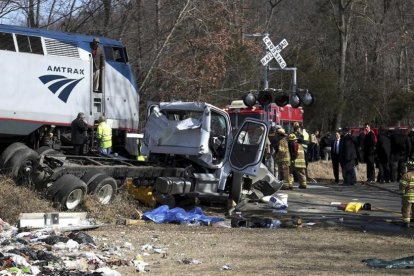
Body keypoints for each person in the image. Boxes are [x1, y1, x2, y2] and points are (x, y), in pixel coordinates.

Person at [399, 161, 414, 228]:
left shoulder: (407, 175)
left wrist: (402, 193)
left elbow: (402, 185)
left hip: (408, 196)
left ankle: (406, 223)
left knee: (406, 209)